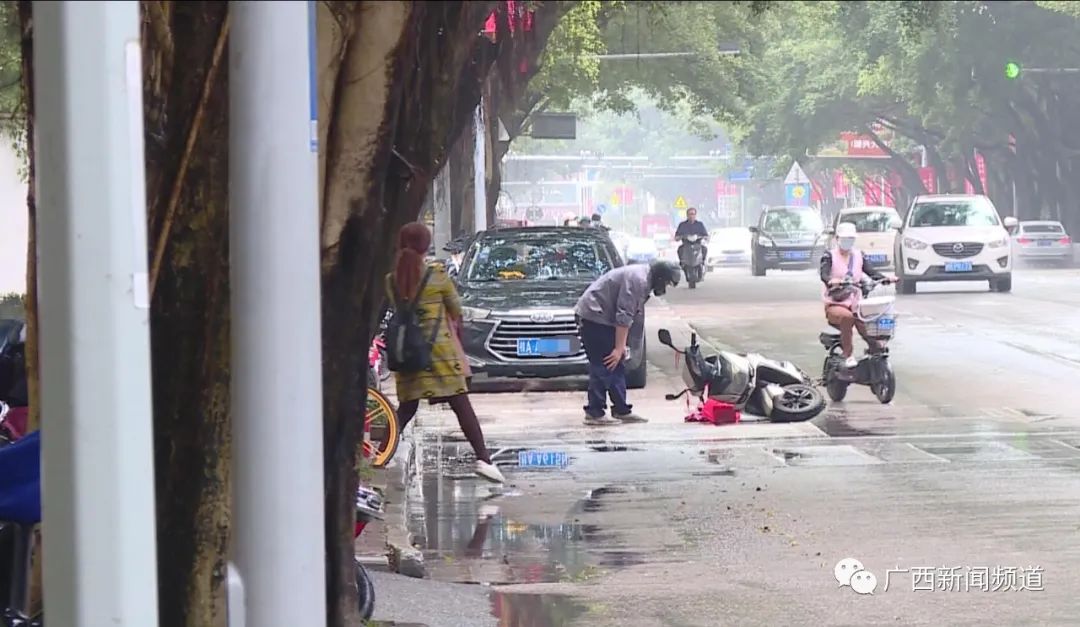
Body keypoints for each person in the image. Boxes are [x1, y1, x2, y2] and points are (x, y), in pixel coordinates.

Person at [386, 222, 505, 483]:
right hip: (439, 355)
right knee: (462, 406)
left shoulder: (392, 280)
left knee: (405, 409)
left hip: (409, 355)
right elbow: (456, 312)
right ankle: (484, 459)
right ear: (426, 245)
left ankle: (381, 452)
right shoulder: (437, 275)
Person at [574, 260, 681, 426]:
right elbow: (623, 316)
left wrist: (624, 346)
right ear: (660, 277)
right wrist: (618, 348)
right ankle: (601, 412)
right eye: (666, 282)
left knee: (612, 364)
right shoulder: (638, 280)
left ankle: (615, 410)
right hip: (593, 317)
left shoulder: (645, 279)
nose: (665, 288)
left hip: (603, 318)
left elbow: (633, 318)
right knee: (606, 363)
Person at [820, 221, 895, 369]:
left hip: (856, 303)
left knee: (869, 321)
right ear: (837, 238)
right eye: (845, 239)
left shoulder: (859, 255)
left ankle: (876, 351)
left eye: (851, 239)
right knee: (847, 318)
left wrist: (885, 279)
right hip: (836, 303)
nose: (848, 242)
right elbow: (824, 274)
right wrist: (832, 280)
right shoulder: (829, 256)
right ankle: (848, 355)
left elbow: (871, 272)